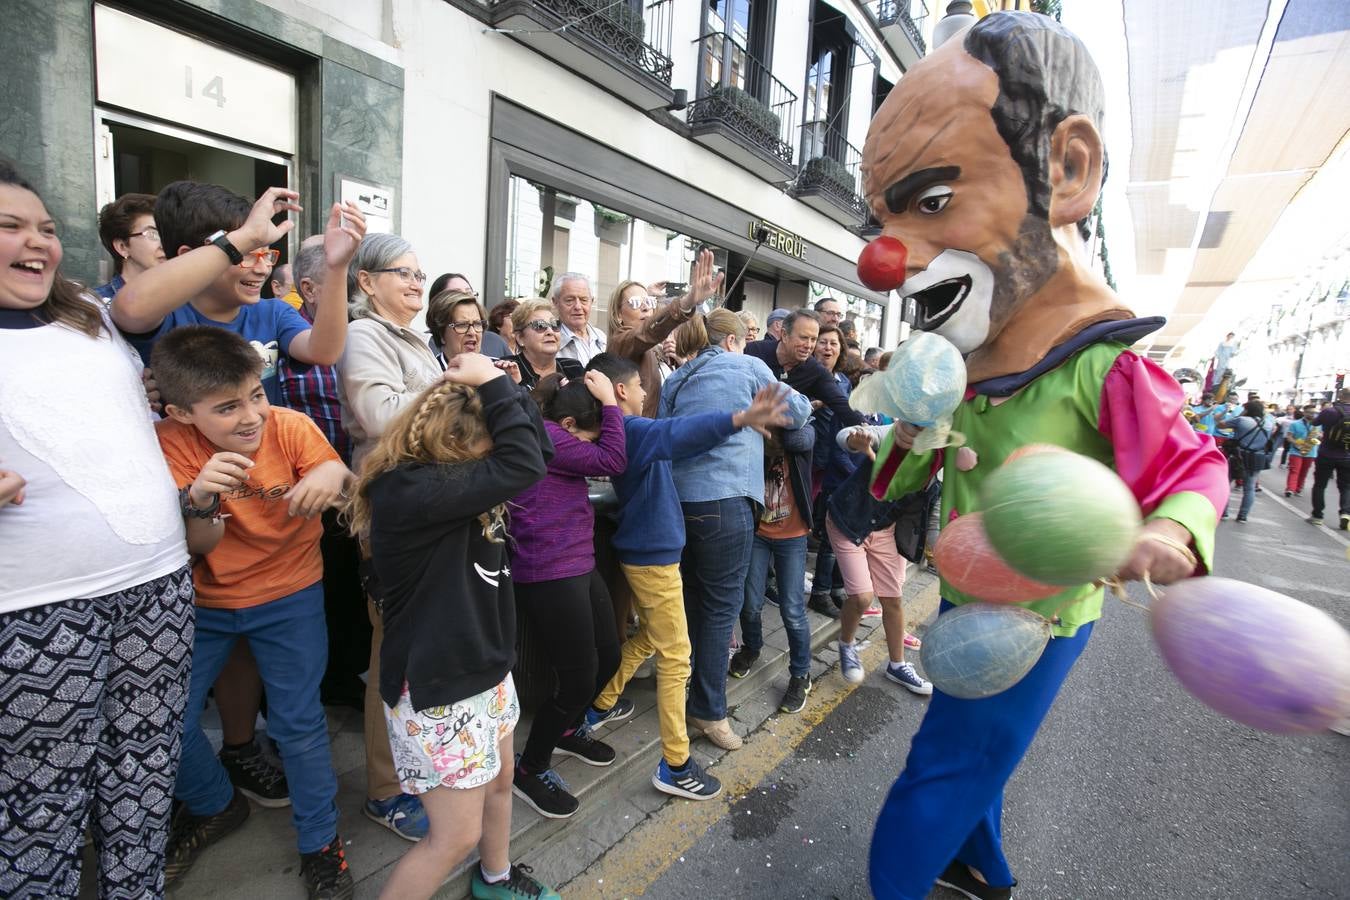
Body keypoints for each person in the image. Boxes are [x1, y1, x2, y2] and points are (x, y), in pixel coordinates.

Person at [856, 13, 1227, 899]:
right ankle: (979, 866)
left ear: (1066, 168)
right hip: (959, 586)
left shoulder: (1106, 364)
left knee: (942, 766)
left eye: (932, 200)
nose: (884, 260)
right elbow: (916, 474)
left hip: (1039, 615)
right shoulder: (968, 358)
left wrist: (1170, 535)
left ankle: (902, 879)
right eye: (887, 217)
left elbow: (1195, 467)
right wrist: (907, 435)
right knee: (968, 746)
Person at [0, 161, 193, 899]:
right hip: (36, 611)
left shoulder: (85, 309)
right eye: (11, 228)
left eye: (46, 228)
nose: (37, 243)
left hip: (155, 586)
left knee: (144, 780)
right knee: (39, 807)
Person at [345, 355, 561, 900]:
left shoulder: (446, 479)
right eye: (489, 452)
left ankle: (496, 879)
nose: (498, 470)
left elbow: (537, 453)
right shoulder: (410, 492)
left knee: (501, 783)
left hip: (485, 671)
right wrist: (491, 383)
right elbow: (525, 463)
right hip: (441, 689)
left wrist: (506, 389)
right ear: (455, 449)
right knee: (452, 836)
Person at [152, 326, 354, 895]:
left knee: (298, 723)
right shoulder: (166, 444)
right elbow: (199, 546)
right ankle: (216, 803)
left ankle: (321, 844)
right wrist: (198, 500)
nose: (250, 416)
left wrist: (326, 474)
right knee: (166, 717)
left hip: (290, 594)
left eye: (256, 394)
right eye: (226, 407)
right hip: (206, 601)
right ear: (181, 412)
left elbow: (338, 472)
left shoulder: (288, 427)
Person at [585, 353, 791, 798]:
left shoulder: (621, 431)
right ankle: (675, 764)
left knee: (652, 638)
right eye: (640, 385)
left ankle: (600, 706)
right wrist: (741, 417)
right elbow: (680, 433)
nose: (646, 393)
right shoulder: (634, 430)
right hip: (651, 559)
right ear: (621, 391)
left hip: (649, 554)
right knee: (677, 656)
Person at [660, 310, 811, 751]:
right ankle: (707, 711)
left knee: (687, 606)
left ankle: (679, 704)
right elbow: (797, 412)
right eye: (744, 339)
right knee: (718, 612)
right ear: (732, 341)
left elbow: (665, 437)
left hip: (678, 505)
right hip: (727, 503)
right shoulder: (748, 366)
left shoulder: (678, 378)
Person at [338, 231, 443, 842]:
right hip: (394, 517)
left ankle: (413, 767)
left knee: (418, 647)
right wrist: (457, 388)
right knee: (392, 651)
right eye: (401, 272)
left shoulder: (415, 341)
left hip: (431, 511)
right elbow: (380, 417)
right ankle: (383, 789)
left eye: (418, 271)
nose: (414, 281)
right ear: (367, 282)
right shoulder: (363, 336)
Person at [109, 181, 355, 405]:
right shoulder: (163, 316)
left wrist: (336, 267)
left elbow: (324, 351)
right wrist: (246, 236)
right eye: (246, 254)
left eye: (266, 255)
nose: (262, 269)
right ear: (189, 256)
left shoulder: (272, 312)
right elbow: (130, 306)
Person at [510, 371, 628, 818]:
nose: (593, 442)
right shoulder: (552, 437)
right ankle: (531, 767)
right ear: (570, 423)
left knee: (609, 656)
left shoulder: (556, 430)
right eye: (593, 429)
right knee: (578, 677)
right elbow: (614, 459)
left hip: (577, 562)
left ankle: (566, 731)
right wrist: (612, 405)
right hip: (549, 571)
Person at [279, 240, 368, 710]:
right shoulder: (288, 338)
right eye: (345, 277)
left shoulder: (363, 335)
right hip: (307, 492)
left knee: (350, 589)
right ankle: (324, 683)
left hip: (355, 485)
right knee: (325, 592)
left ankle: (342, 676)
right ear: (309, 288)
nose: (356, 287)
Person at [832, 424, 930, 693]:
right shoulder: (901, 430)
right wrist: (857, 441)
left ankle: (897, 666)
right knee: (862, 596)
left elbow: (932, 515)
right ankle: (846, 644)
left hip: (886, 531)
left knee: (893, 600)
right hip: (849, 522)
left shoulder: (943, 462)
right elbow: (846, 436)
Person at [733, 418, 818, 713]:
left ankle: (801, 674)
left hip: (793, 537)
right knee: (750, 603)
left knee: (792, 610)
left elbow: (798, 440)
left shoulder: (801, 437)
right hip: (759, 534)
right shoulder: (752, 444)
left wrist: (774, 423)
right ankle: (751, 648)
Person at [745, 309, 864, 436]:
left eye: (814, 339)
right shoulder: (752, 351)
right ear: (784, 335)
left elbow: (841, 403)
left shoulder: (815, 371)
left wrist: (868, 428)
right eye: (804, 338)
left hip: (784, 436)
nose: (809, 345)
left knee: (801, 439)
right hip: (744, 424)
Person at [94, 191, 165, 301]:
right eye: (153, 234)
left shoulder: (181, 301)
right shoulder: (96, 305)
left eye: (167, 234)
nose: (164, 244)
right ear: (122, 247)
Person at [508, 298, 584, 390]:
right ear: (520, 337)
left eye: (555, 324)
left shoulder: (573, 368)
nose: (550, 331)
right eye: (540, 326)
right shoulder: (508, 369)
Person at [1220, 399, 1276, 519]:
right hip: (1258, 456)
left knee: (1226, 483)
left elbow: (1220, 424)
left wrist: (1240, 416)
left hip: (1239, 455)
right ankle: (1243, 515)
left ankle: (1224, 512)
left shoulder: (1242, 420)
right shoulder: (1269, 423)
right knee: (1250, 487)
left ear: (1248, 410)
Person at [1308, 387, 1350, 529]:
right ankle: (1345, 513)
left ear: (1340, 395)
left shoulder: (1329, 411)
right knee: (1346, 487)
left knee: (1320, 485)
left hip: (1326, 454)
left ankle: (1317, 516)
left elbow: (1314, 423)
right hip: (1347, 455)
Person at [553, 272, 606, 363]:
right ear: (555, 302)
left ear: (591, 302)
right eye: (569, 300)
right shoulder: (550, 341)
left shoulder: (602, 338)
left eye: (584, 300)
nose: (578, 306)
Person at [1284, 405, 1319, 497]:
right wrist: (1296, 443)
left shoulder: (1318, 425)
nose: (1312, 414)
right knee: (1294, 470)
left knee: (1304, 472)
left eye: (1313, 413)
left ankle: (1298, 489)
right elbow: (1289, 436)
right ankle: (1290, 489)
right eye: (1309, 412)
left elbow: (1321, 437)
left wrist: (1319, 437)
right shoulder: (1295, 424)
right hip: (1296, 451)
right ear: (1304, 413)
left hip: (1310, 451)